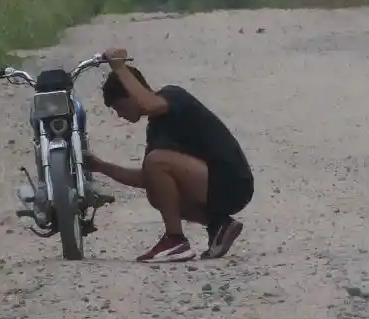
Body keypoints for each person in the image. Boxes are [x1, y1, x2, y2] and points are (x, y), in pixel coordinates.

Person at [83, 47, 254, 263]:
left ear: (132, 94)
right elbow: (148, 178)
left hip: (232, 181)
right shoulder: (156, 128)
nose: (119, 114)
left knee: (155, 163)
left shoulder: (172, 96)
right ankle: (219, 225)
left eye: (119, 107)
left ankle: (175, 241)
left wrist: (119, 67)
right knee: (157, 191)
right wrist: (101, 167)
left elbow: (149, 103)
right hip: (216, 186)